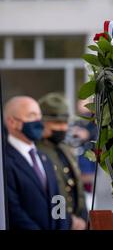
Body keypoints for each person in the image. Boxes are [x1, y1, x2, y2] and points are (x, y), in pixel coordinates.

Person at [4, 96, 70, 229]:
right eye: (31, 116)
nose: (39, 121)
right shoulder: (5, 160)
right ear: (12, 122)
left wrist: (62, 226)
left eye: (39, 115)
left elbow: (58, 200)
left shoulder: (44, 157)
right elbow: (13, 211)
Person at [37, 93, 87, 230]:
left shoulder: (65, 149)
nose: (62, 128)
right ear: (42, 122)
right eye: (57, 123)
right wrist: (69, 222)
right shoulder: (35, 152)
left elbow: (78, 190)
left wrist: (83, 219)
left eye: (65, 122)